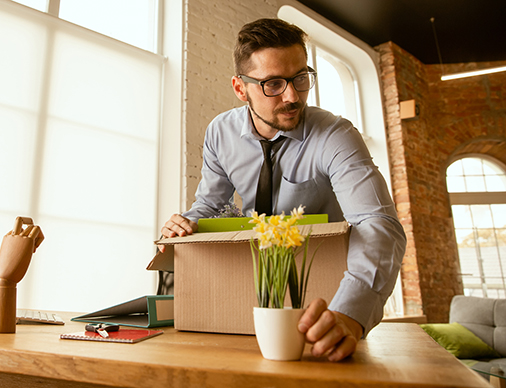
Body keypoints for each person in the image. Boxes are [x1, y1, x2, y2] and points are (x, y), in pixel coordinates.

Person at [160, 18, 406, 362]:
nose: (292, 96)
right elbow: (210, 206)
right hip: (250, 294)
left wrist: (350, 314)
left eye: (301, 78)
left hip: (326, 301)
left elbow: (378, 224)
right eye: (273, 84)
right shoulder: (220, 133)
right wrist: (184, 222)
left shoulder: (336, 136)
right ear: (239, 87)